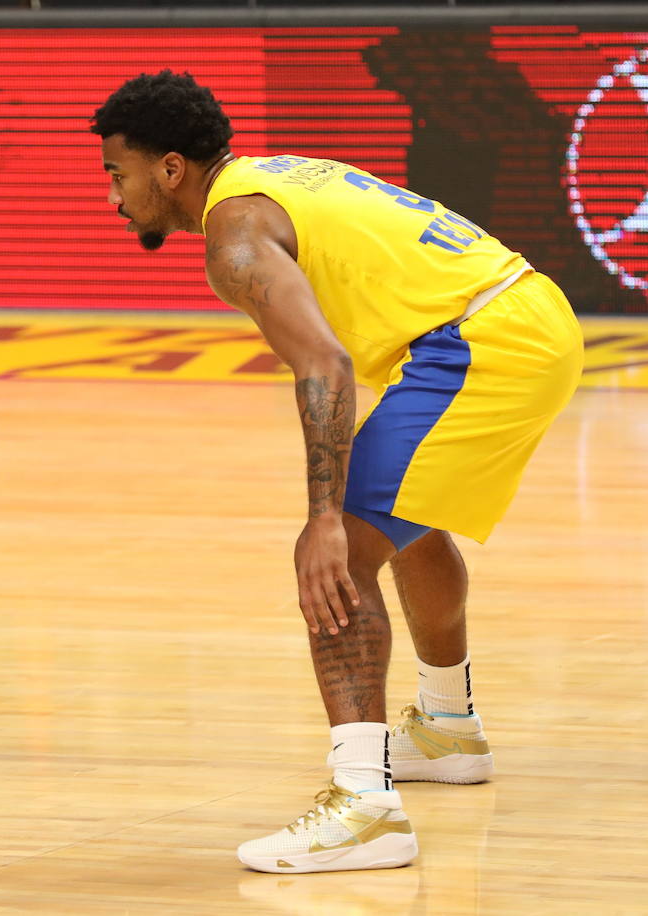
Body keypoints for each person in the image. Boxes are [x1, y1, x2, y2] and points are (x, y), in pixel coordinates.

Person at [91, 71, 583, 873]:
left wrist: (322, 519)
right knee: (406, 523)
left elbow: (324, 361)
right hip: (518, 316)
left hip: (484, 341)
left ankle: (365, 808)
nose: (114, 197)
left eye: (118, 174)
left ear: (170, 169)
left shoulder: (235, 236)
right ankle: (448, 729)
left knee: (340, 558)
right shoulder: (273, 174)